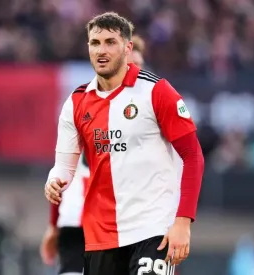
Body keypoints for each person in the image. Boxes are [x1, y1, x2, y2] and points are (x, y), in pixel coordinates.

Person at [44, 12, 204, 275]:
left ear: (127, 48)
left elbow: (193, 156)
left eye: (110, 42)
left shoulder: (157, 91)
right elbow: (63, 167)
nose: (101, 50)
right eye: (95, 43)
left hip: (153, 229)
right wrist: (54, 180)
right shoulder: (76, 102)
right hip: (100, 235)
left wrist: (183, 222)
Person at [40, 35, 149, 275]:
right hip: (82, 220)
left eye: (139, 65)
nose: (135, 70)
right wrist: (53, 225)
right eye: (131, 63)